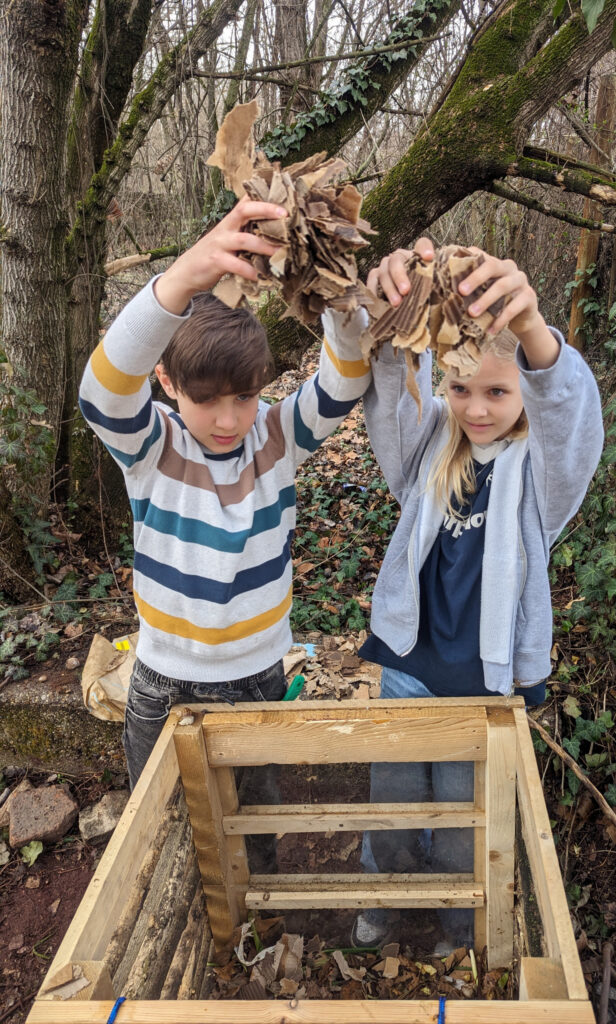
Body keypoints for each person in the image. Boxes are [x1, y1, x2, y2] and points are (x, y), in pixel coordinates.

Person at [79, 196, 371, 869]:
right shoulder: (151, 447)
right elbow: (101, 393)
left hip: (256, 677)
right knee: (160, 827)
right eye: (205, 397)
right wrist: (180, 282)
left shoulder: (277, 435)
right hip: (162, 680)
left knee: (255, 821)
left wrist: (324, 282)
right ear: (166, 383)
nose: (227, 418)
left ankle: (255, 922)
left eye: (243, 395)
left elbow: (345, 375)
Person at [353, 239, 604, 949]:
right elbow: (394, 397)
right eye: (462, 388)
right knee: (394, 801)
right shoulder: (431, 443)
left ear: (522, 389)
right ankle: (383, 900)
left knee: (468, 813)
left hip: (485, 678)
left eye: (497, 391)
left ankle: (457, 921)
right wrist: (401, 315)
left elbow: (572, 421)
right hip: (408, 664)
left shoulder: (542, 475)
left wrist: (531, 332)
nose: (476, 408)